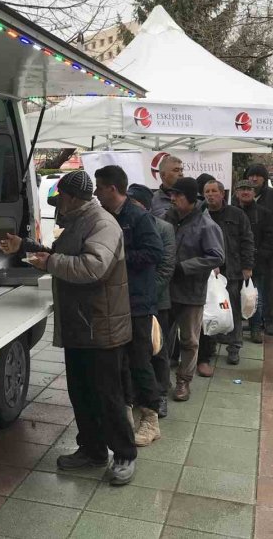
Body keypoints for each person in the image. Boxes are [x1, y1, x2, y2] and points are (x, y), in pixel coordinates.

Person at [0, 170, 137, 485]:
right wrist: (25, 247)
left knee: (107, 396)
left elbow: (93, 267)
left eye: (60, 198)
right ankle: (92, 450)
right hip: (80, 324)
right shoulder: (76, 222)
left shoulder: (102, 223)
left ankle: (125, 454)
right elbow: (61, 256)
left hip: (102, 327)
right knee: (82, 393)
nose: (57, 205)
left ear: (72, 198)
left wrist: (48, 263)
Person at [94, 166, 164, 447]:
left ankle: (150, 419)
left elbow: (154, 252)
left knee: (139, 360)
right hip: (112, 301)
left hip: (137, 303)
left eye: (99, 187)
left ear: (112, 188)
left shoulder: (137, 217)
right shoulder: (105, 217)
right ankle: (124, 412)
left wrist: (119, 258)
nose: (96, 193)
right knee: (117, 360)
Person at [163, 177, 225, 401]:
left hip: (191, 291)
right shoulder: (166, 218)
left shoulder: (206, 225)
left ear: (190, 198)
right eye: (172, 194)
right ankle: (161, 382)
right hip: (165, 289)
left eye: (177, 195)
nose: (173, 198)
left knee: (189, 340)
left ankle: (183, 381)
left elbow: (217, 256)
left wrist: (185, 267)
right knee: (160, 338)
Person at [128, 183, 176, 419]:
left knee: (157, 349)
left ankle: (160, 395)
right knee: (136, 350)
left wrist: (148, 296)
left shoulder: (164, 228)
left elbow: (166, 267)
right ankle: (139, 393)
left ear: (145, 206)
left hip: (156, 300)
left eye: (135, 203)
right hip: (132, 301)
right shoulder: (123, 225)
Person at [199, 179, 254, 370]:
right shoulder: (200, 214)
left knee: (233, 309)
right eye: (207, 191)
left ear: (223, 194)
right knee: (211, 309)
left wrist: (247, 266)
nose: (210, 195)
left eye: (214, 191)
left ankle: (234, 346)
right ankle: (210, 345)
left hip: (232, 270)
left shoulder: (236, 214)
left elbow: (247, 240)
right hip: (209, 272)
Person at [242, 164, 273, 336]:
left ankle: (269, 320)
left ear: (264, 178)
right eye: (251, 175)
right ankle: (251, 318)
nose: (254, 179)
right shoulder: (243, 195)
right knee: (249, 287)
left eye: (258, 176)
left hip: (268, 250)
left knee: (268, 286)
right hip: (247, 251)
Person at [235, 180, 273, 343]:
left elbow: (271, 238)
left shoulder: (264, 213)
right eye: (242, 189)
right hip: (233, 262)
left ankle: (255, 328)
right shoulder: (231, 211)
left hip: (257, 263)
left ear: (254, 193)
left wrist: (258, 256)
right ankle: (234, 329)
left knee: (254, 298)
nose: (245, 192)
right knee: (233, 297)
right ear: (236, 192)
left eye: (249, 189)